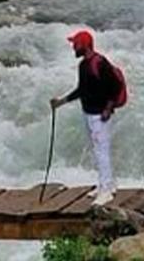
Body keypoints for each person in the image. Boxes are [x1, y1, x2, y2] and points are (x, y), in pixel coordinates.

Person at [51, 29, 124, 206]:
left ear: (84, 45)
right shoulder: (84, 65)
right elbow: (81, 90)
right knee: (96, 150)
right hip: (88, 112)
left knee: (102, 151)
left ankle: (106, 191)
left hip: (100, 115)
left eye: (75, 45)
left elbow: (115, 86)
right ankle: (106, 184)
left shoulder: (100, 63)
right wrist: (61, 101)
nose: (73, 48)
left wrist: (108, 108)